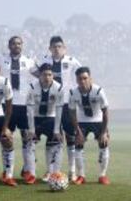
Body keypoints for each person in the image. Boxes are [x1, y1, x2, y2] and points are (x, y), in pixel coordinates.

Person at [39, 36, 82, 182]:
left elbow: (82, 76)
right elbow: (35, 73)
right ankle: (49, 172)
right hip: (50, 105)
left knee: (71, 137)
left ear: (64, 48)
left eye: (59, 46)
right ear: (50, 48)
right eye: (54, 47)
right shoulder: (44, 61)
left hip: (67, 104)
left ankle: (72, 172)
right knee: (52, 138)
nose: (57, 49)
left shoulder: (72, 61)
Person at [0, 36, 37, 184]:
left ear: (22, 45)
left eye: (19, 43)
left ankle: (28, 170)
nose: (16, 46)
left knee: (28, 138)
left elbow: (41, 74)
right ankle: (7, 171)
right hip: (7, 104)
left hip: (24, 104)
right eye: (13, 43)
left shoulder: (30, 61)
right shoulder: (0, 58)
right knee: (5, 138)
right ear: (9, 45)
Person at [68, 67, 110, 185]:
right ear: (76, 80)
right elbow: (71, 112)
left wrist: (104, 132)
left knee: (104, 144)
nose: (82, 81)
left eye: (85, 78)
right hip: (82, 121)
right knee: (78, 145)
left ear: (90, 79)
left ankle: (102, 175)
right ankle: (81, 176)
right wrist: (78, 131)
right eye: (80, 79)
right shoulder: (73, 93)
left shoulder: (98, 91)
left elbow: (106, 111)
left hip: (98, 120)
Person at [26, 63, 64, 180]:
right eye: (44, 75)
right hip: (36, 118)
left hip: (51, 118)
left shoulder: (58, 88)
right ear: (39, 76)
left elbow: (59, 110)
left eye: (49, 75)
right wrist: (31, 130)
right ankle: (32, 174)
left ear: (53, 75)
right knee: (30, 143)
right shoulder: (32, 87)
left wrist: (57, 130)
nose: (47, 77)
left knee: (56, 143)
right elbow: (30, 110)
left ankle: (52, 173)